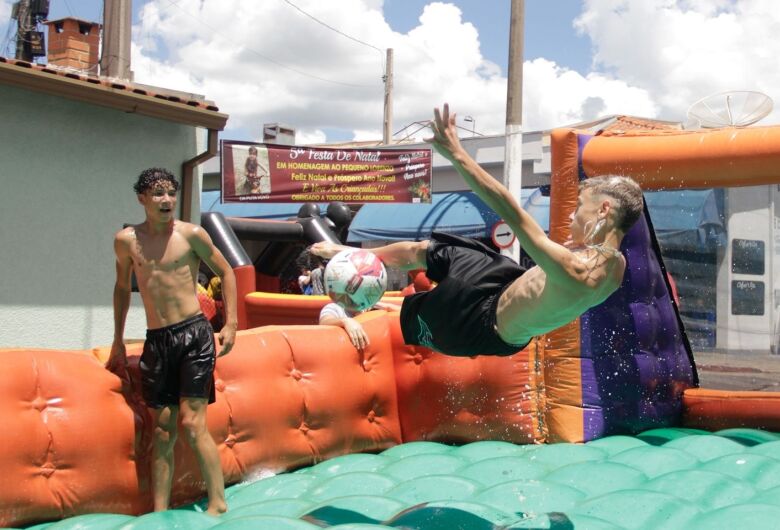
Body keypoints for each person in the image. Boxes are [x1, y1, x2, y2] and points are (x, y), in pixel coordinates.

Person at [311, 103, 644, 358]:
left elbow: (508, 208)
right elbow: (587, 265)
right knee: (427, 250)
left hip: (480, 323)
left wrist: (457, 155)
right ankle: (354, 253)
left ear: (604, 210)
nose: (571, 216)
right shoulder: (614, 265)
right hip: (504, 287)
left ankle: (348, 310)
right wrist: (588, 239)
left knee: (399, 314)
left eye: (578, 206)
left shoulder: (576, 269)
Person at [106, 167, 237, 515]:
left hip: (194, 335)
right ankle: (160, 511)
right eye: (157, 194)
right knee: (163, 431)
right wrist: (117, 340)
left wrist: (232, 324)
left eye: (170, 193)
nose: (166, 200)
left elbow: (226, 271)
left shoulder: (191, 234)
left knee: (193, 424)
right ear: (142, 199)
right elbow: (122, 288)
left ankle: (218, 503)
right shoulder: (126, 241)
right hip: (157, 340)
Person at [319, 300, 401, 351]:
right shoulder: (335, 307)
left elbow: (407, 313)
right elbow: (324, 321)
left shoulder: (371, 306)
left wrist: (387, 307)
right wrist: (345, 321)